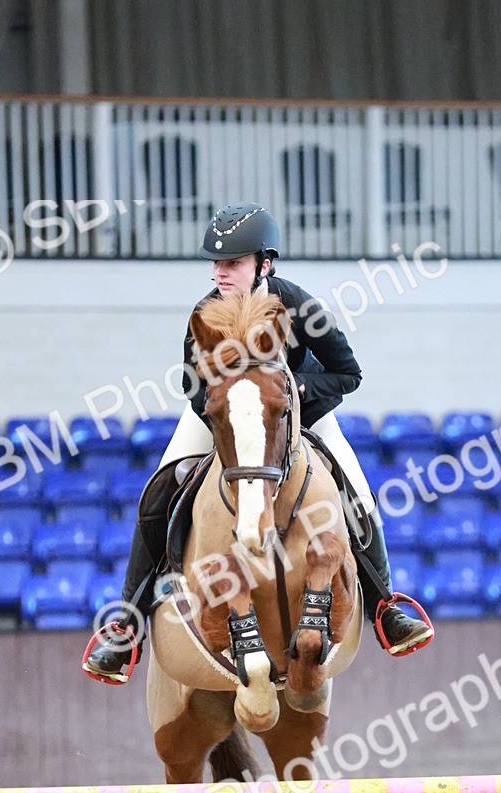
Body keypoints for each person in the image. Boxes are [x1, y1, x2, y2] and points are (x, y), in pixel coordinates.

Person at [83, 202, 432, 683]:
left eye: (232, 263)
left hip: (302, 422)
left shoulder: (298, 305)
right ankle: (127, 624)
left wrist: (296, 396)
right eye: (216, 263)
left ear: (264, 264)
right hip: (225, 426)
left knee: (356, 492)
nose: (219, 272)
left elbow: (348, 373)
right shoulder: (205, 312)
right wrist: (234, 409)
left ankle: (385, 606)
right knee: (159, 491)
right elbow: (193, 385)